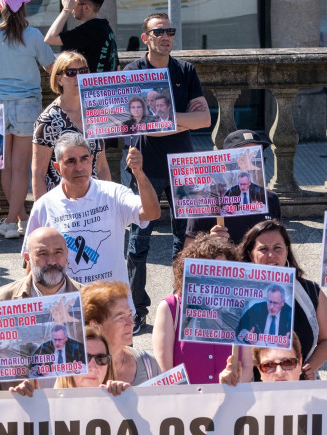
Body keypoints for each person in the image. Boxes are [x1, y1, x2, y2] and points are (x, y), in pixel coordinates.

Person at [123, 12, 212, 333]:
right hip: (143, 167)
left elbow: (204, 121)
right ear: (145, 37)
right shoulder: (133, 71)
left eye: (170, 31)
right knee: (138, 243)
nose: (166, 36)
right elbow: (139, 122)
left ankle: (179, 304)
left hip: (183, 166)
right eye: (159, 32)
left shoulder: (185, 70)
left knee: (185, 240)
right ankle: (137, 309)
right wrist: (180, 117)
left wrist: (160, 120)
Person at [27, 132, 159, 290]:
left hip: (113, 304)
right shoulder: (44, 206)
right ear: (57, 168)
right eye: (71, 161)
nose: (79, 167)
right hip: (69, 306)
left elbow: (151, 213)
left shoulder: (114, 194)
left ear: (91, 160)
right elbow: (32, 262)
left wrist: (139, 173)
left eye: (84, 159)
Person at [0, 1, 54, 239]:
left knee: (6, 166)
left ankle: (18, 217)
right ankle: (13, 221)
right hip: (26, 104)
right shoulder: (32, 35)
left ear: (1, 8)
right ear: (25, 8)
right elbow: (52, 67)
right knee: (21, 167)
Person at [238, 219, 327, 378]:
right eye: (263, 249)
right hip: (251, 389)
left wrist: (309, 368)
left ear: (287, 251)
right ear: (251, 255)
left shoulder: (311, 292)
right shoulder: (235, 294)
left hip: (298, 386)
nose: (271, 255)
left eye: (277, 248)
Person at [154, 234, 239, 384]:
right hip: (186, 403)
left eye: (222, 270)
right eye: (207, 270)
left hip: (231, 402)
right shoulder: (171, 308)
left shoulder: (239, 309)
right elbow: (165, 374)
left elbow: (246, 367)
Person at [31, 51, 110, 202]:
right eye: (71, 72)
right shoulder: (48, 120)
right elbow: (38, 173)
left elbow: (102, 166)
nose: (78, 77)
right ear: (59, 79)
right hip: (62, 205)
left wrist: (109, 201)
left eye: (83, 72)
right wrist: (42, 215)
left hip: (94, 202)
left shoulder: (94, 112)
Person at [189, 129, 282, 244]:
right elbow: (187, 255)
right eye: (242, 159)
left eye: (255, 158)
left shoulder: (271, 200)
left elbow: (280, 249)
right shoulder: (207, 203)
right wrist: (209, 242)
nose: (249, 165)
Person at [82, 280, 161, 384]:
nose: (131, 324)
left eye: (130, 315)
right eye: (121, 317)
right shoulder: (77, 374)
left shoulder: (150, 365)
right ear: (95, 326)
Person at [43, 0, 118, 75]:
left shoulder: (89, 29)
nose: (72, 7)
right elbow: (117, 67)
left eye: (75, 3)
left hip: (90, 86)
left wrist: (66, 9)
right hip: (105, 85)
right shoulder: (105, 27)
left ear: (86, 8)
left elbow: (50, 38)